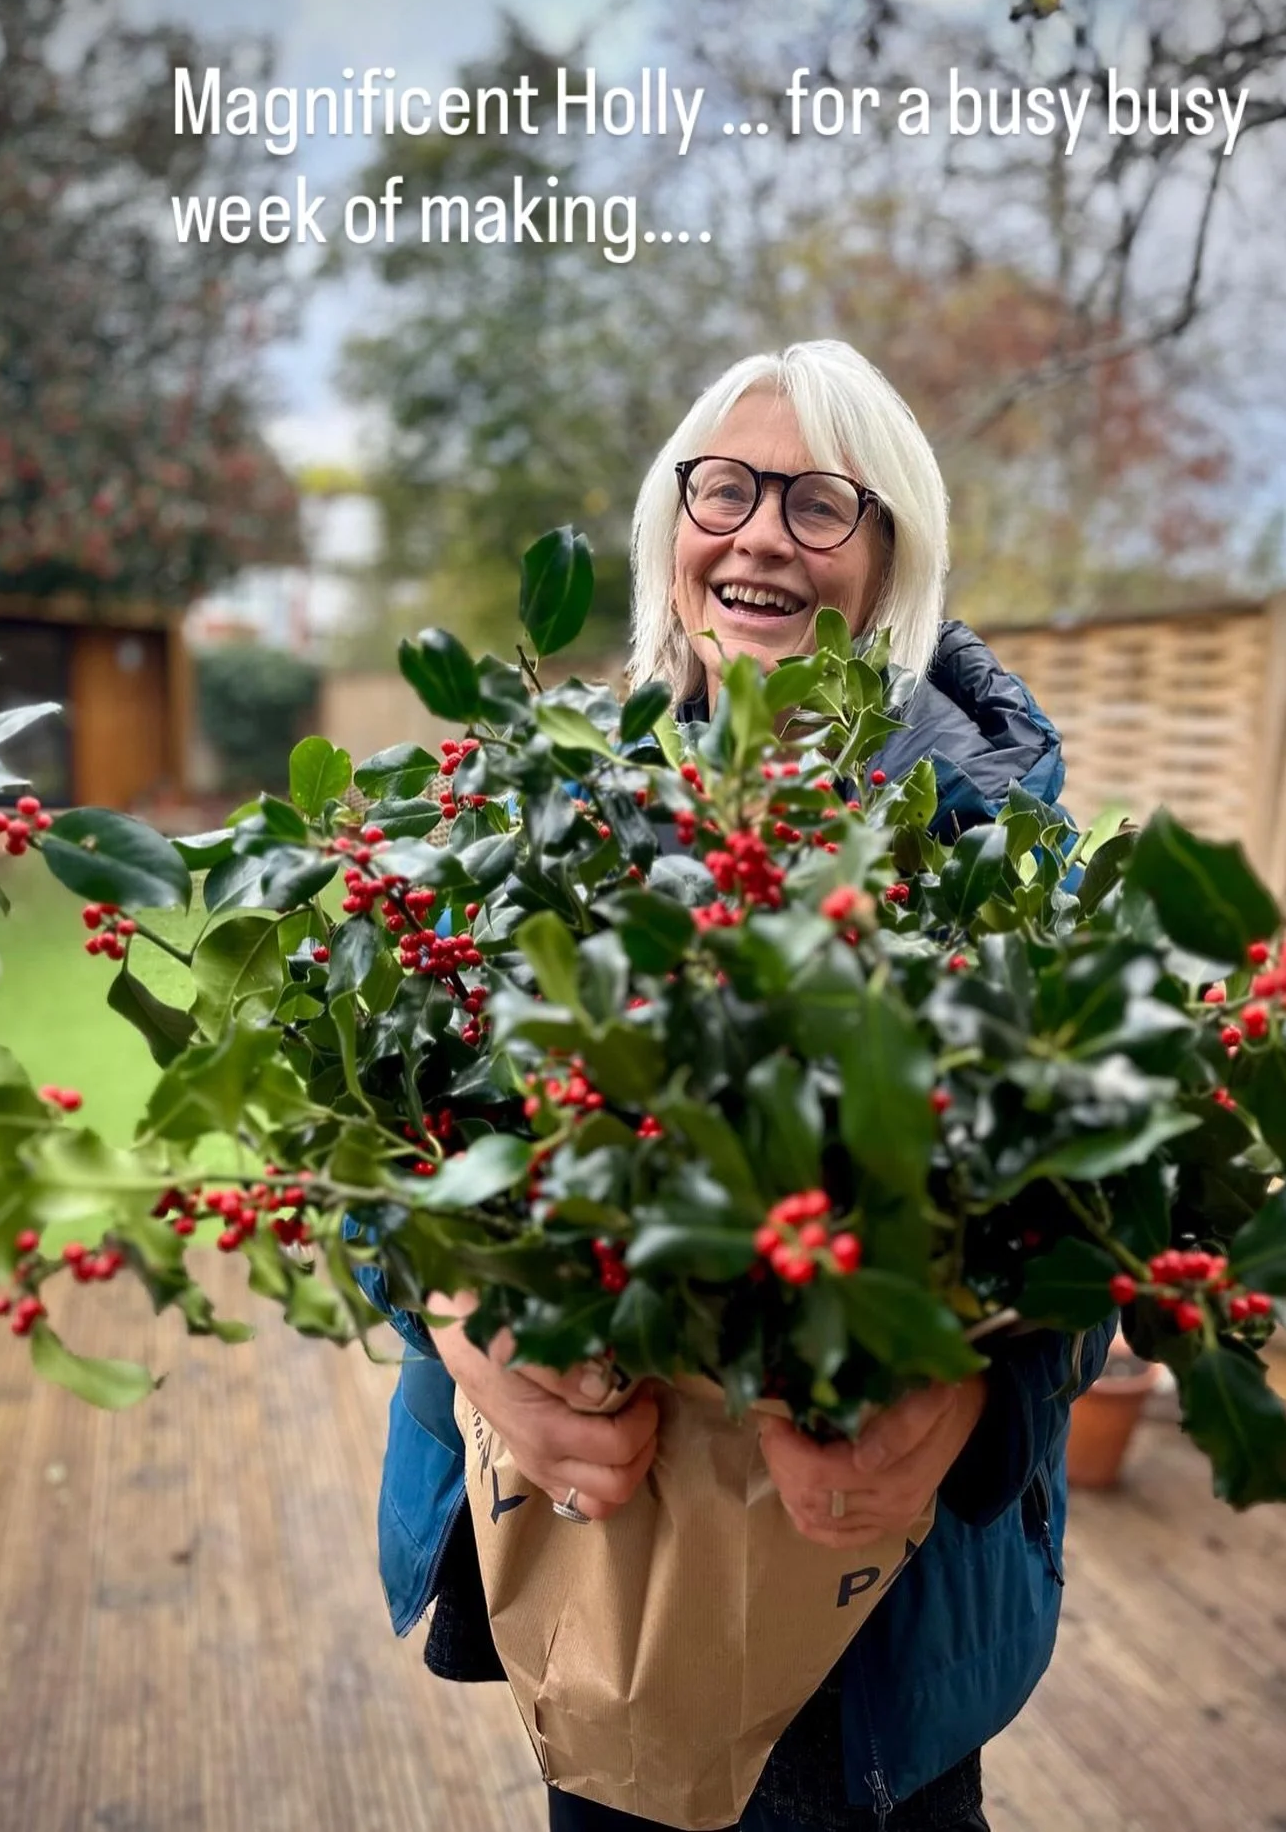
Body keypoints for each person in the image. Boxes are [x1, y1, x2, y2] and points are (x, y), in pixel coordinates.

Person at [356, 340, 1113, 1832]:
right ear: (672, 526)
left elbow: (1109, 1220)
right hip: (597, 1561)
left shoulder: (1001, 856)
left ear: (892, 554)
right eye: (727, 489)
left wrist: (979, 1394)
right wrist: (454, 1315)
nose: (762, 530)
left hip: (880, 1640)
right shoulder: (541, 820)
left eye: (822, 501)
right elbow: (379, 1136)